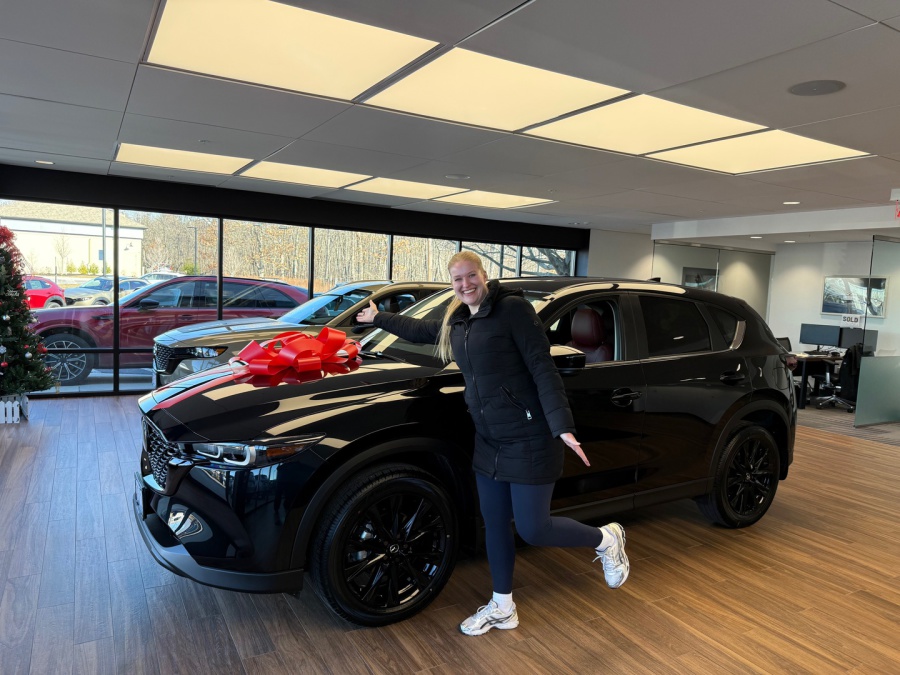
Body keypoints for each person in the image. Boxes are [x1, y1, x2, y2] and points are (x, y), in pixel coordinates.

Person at [356, 251, 629, 636]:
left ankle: (606, 539)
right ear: (452, 284)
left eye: (471, 276)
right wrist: (378, 318)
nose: (465, 284)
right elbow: (421, 330)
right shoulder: (458, 319)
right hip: (489, 439)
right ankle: (503, 607)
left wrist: (561, 425)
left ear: (484, 275)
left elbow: (542, 366)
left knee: (534, 529)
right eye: (457, 279)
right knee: (495, 523)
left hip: (530, 435)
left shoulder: (513, 310)